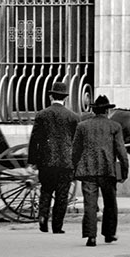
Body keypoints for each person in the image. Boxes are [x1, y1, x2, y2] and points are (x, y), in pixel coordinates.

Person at [71, 94, 129, 246]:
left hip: (87, 170)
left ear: (95, 111)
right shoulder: (115, 127)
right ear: (107, 111)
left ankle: (91, 237)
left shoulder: (82, 126)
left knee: (90, 204)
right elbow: (121, 151)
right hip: (108, 170)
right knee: (110, 203)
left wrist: (74, 168)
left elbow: (75, 151)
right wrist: (124, 171)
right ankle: (109, 234)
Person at [30, 89, 79, 233]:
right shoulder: (73, 117)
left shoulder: (42, 115)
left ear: (51, 96)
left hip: (46, 161)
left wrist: (33, 160)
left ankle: (43, 219)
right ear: (65, 98)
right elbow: (77, 142)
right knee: (62, 195)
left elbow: (35, 139)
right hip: (66, 162)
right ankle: (57, 227)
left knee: (46, 191)